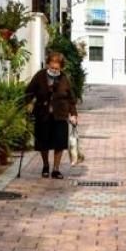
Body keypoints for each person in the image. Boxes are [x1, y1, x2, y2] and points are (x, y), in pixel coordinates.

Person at [25, 51, 78, 179]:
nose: (54, 70)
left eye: (57, 68)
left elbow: (71, 98)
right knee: (43, 142)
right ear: (48, 64)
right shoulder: (40, 76)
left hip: (60, 114)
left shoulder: (64, 78)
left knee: (59, 142)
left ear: (61, 67)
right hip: (42, 114)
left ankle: (56, 169)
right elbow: (28, 92)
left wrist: (73, 114)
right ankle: (45, 166)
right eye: (52, 67)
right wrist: (29, 104)